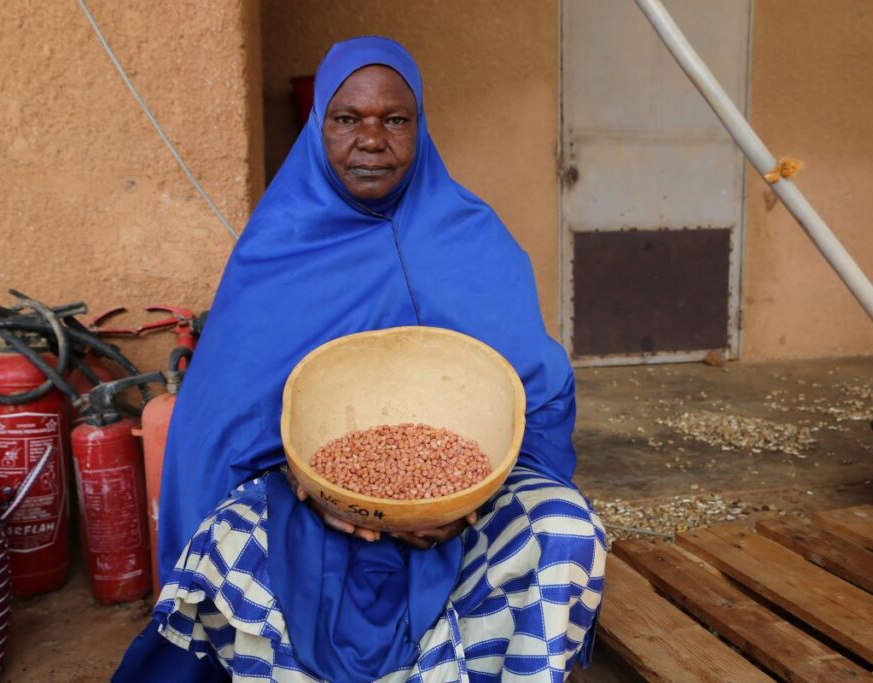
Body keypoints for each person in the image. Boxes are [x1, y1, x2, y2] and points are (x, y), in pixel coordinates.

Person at [114, 36, 606, 682]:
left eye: (394, 120)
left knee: (567, 530)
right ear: (320, 125)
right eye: (348, 120)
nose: (371, 141)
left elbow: (534, 395)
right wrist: (314, 486)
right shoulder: (279, 245)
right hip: (309, 507)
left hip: (468, 508)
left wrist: (461, 498)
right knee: (228, 543)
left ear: (419, 126)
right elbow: (221, 424)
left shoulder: (471, 234)